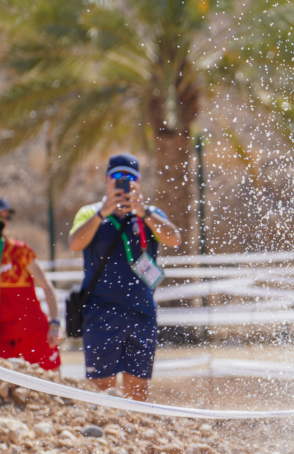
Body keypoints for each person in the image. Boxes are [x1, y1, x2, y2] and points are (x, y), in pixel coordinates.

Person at [68, 153, 181, 401]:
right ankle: (103, 427)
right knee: (101, 389)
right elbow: (75, 243)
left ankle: (132, 427)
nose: (124, 182)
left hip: (141, 313)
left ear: (138, 182)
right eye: (117, 176)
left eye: (130, 177)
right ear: (106, 180)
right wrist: (103, 213)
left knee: (138, 391)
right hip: (100, 313)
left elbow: (174, 239)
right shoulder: (90, 212)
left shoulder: (150, 213)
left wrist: (144, 212)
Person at [0, 198, 62, 371]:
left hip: (35, 335)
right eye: (1, 216)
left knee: (54, 385)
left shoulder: (19, 251)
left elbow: (47, 286)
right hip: (3, 340)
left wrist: (55, 324)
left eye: (6, 217)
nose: (4, 222)